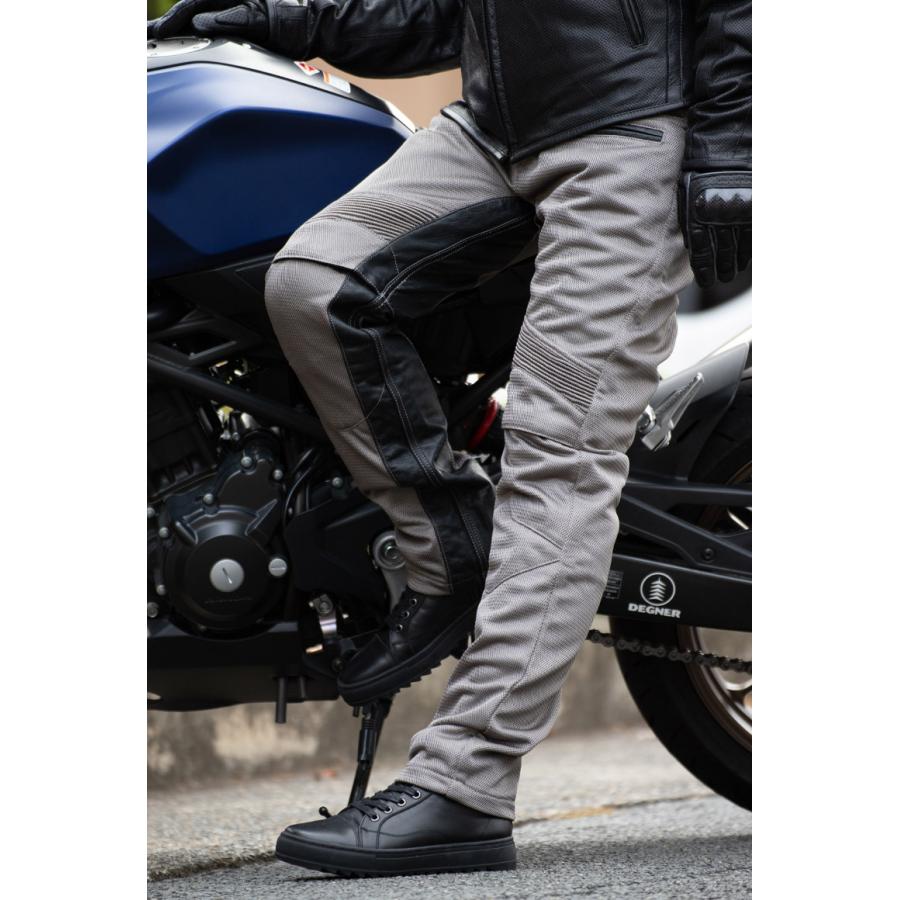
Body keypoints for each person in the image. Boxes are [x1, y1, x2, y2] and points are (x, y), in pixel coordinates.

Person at [149, 0, 751, 878]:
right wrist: (284, 17)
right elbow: (437, 13)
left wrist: (734, 149)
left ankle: (465, 786)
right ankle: (449, 542)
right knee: (313, 281)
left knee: (558, 453)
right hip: (492, 130)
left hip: (630, 138)